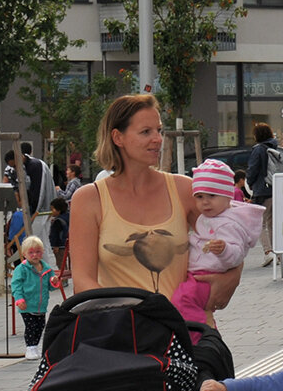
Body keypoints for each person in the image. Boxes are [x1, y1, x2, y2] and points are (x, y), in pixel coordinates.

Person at [68, 94, 228, 308]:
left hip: (185, 324)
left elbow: (231, 238)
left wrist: (230, 279)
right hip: (122, 325)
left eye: (159, 130)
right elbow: (82, 282)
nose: (158, 139)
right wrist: (130, 316)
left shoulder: (185, 189)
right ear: (118, 137)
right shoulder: (90, 199)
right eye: (146, 132)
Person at [175, 159, 263, 323]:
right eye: (199, 197)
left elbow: (237, 254)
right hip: (199, 274)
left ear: (228, 196)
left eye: (212, 195)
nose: (205, 202)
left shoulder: (228, 224)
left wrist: (224, 249)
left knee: (183, 302)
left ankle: (197, 332)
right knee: (182, 302)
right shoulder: (210, 218)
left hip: (206, 275)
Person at [10, 238, 60, 360]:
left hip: (41, 305)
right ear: (24, 254)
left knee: (40, 326)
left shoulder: (47, 269)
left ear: (42, 252)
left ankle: (35, 346)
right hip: (27, 304)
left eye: (38, 252)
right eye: (31, 252)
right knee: (31, 326)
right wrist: (19, 299)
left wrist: (54, 281)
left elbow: (51, 287)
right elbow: (16, 285)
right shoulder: (21, 269)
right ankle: (30, 347)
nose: (35, 255)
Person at [246, 122, 283, 267]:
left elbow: (253, 169)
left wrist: (249, 182)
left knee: (260, 223)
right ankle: (278, 253)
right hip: (277, 188)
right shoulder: (277, 148)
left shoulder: (259, 150)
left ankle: (268, 252)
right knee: (273, 223)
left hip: (263, 190)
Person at [46, 196, 70, 288]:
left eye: (53, 209)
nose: (51, 211)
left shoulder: (57, 221)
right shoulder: (68, 217)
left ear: (58, 210)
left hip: (59, 246)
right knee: (64, 262)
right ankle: (65, 279)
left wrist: (55, 246)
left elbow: (56, 235)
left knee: (60, 263)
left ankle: (63, 280)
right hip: (66, 244)